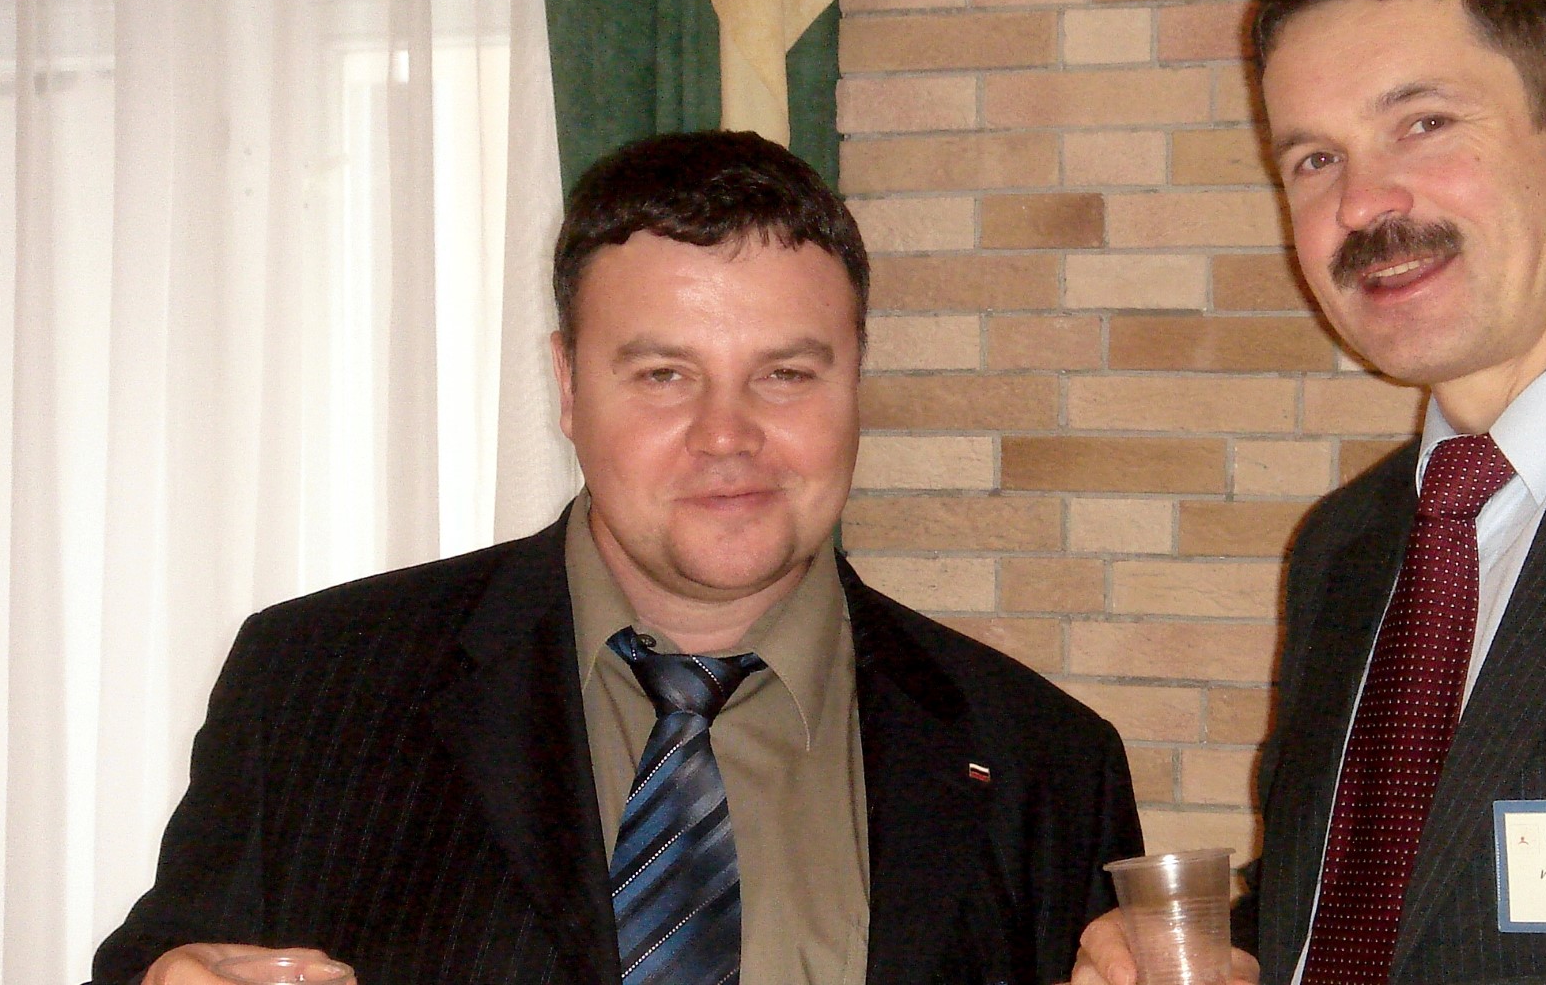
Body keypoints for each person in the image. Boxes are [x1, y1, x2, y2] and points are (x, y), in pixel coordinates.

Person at [91, 130, 1142, 985]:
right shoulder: (316, 688)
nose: (726, 435)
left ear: (855, 377)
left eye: (785, 374)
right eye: (662, 376)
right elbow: (173, 960)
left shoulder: (1043, 761)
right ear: (565, 385)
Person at [1072, 0, 1546, 982]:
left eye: (1423, 123)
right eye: (1315, 158)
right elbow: (1390, 908)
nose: (1363, 204)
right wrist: (1228, 950)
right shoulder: (1344, 548)